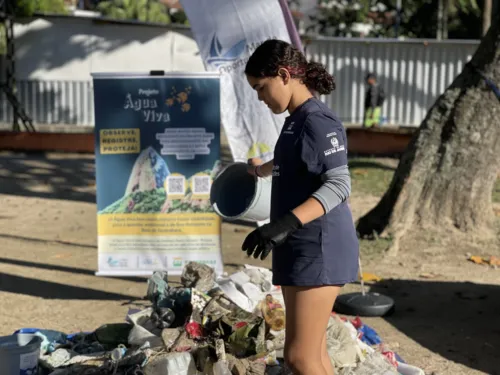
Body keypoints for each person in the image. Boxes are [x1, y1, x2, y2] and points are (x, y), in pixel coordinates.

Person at [241, 39, 359, 375]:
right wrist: (260, 169)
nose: (260, 98)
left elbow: (339, 184)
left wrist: (284, 224)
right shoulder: (297, 120)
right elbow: (298, 161)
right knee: (314, 356)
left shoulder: (317, 120)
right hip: (300, 249)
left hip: (317, 249)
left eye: (261, 88)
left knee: (299, 358)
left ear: (282, 75)